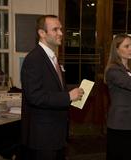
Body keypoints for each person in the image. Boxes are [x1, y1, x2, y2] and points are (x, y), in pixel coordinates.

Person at [20, 15, 84, 160]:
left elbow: (54, 88)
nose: (61, 33)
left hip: (56, 133)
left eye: (60, 29)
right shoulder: (34, 59)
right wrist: (68, 96)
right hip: (43, 137)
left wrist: (76, 89)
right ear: (42, 33)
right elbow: (34, 96)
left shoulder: (52, 57)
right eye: (55, 29)